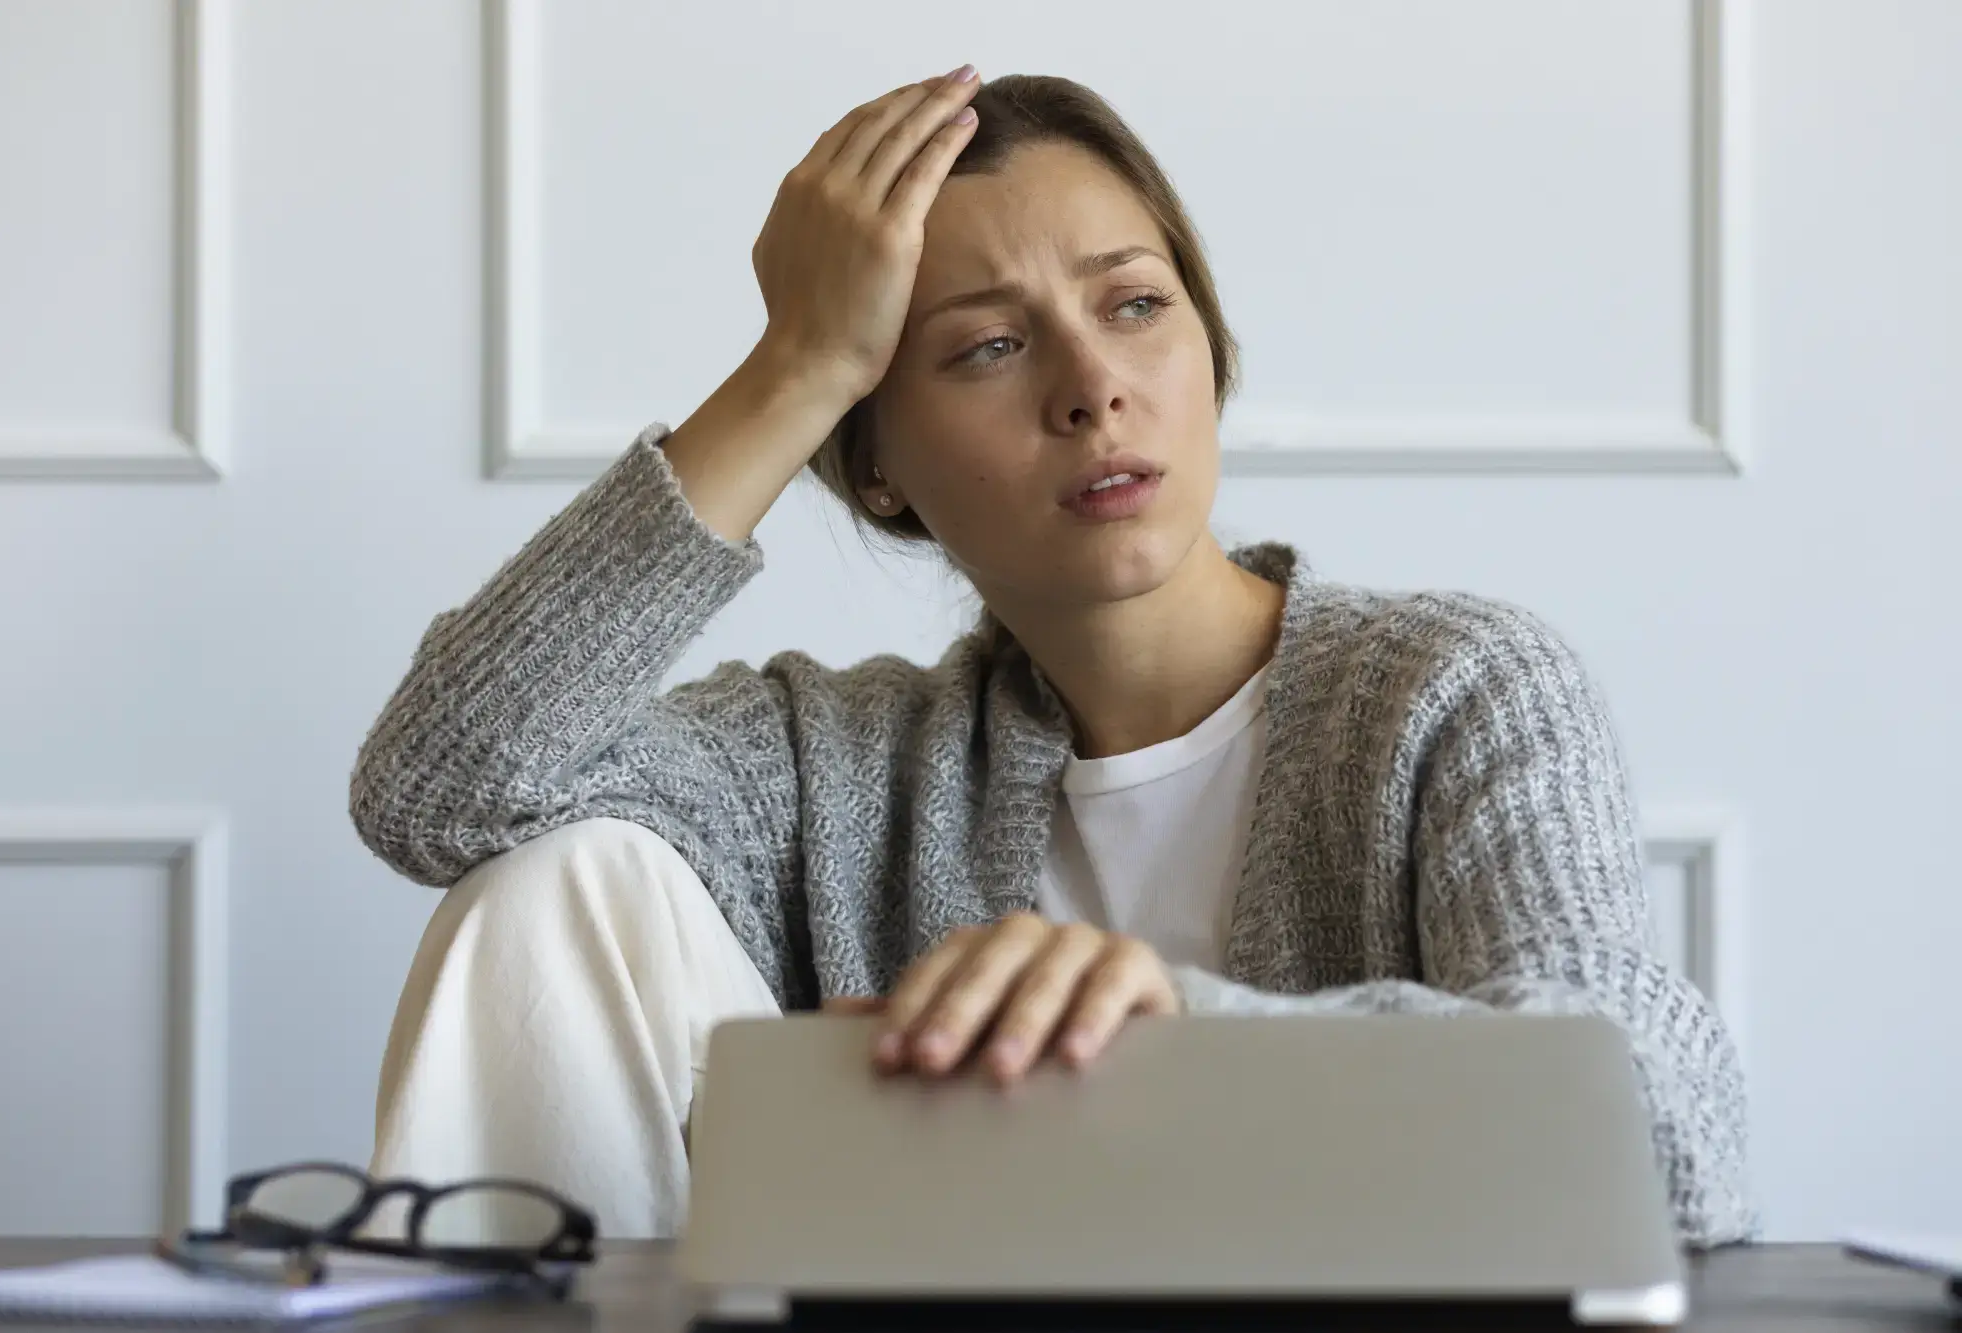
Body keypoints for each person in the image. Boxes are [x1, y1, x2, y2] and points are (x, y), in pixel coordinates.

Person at [349, 66, 1756, 1245]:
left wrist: (1181, 1037)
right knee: (556, 883)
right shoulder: (824, 766)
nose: (1093, 387)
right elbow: (437, 789)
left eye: (1135, 304)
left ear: (1210, 348)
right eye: (988, 348)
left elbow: (1664, 1140)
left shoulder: (1452, 692)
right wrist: (793, 368)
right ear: (877, 462)